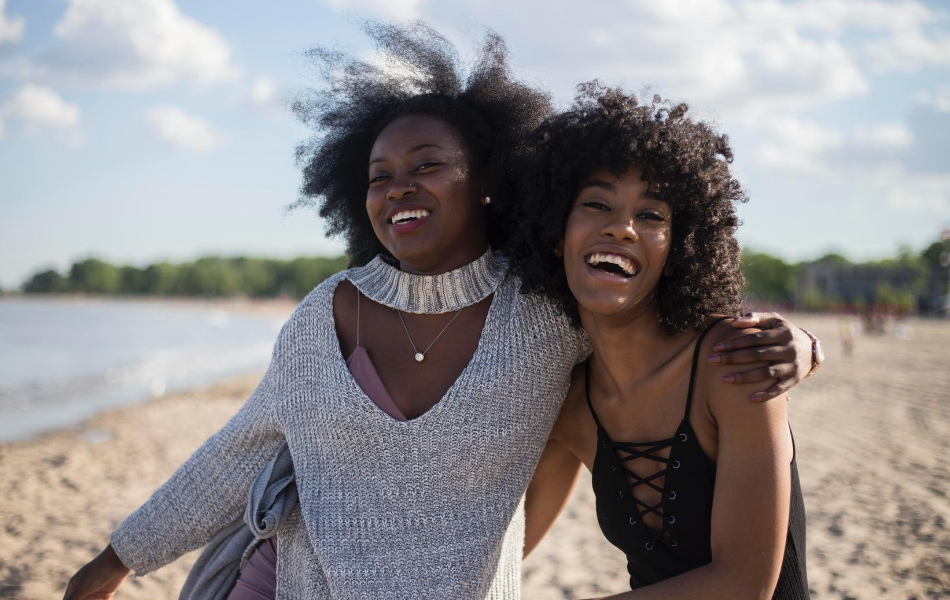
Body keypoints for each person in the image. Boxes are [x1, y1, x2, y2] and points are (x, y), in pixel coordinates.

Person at [63, 24, 816, 600]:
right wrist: (116, 560)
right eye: (380, 176)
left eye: (428, 166)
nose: (401, 188)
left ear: (487, 182)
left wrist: (802, 344)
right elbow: (239, 452)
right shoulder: (324, 316)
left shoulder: (545, 318)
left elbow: (647, 323)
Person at [513, 84, 809, 598]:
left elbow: (743, 585)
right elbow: (503, 548)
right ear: (556, 231)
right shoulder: (569, 402)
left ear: (678, 249)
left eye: (651, 215)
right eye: (596, 203)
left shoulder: (731, 363)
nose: (622, 228)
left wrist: (807, 344)